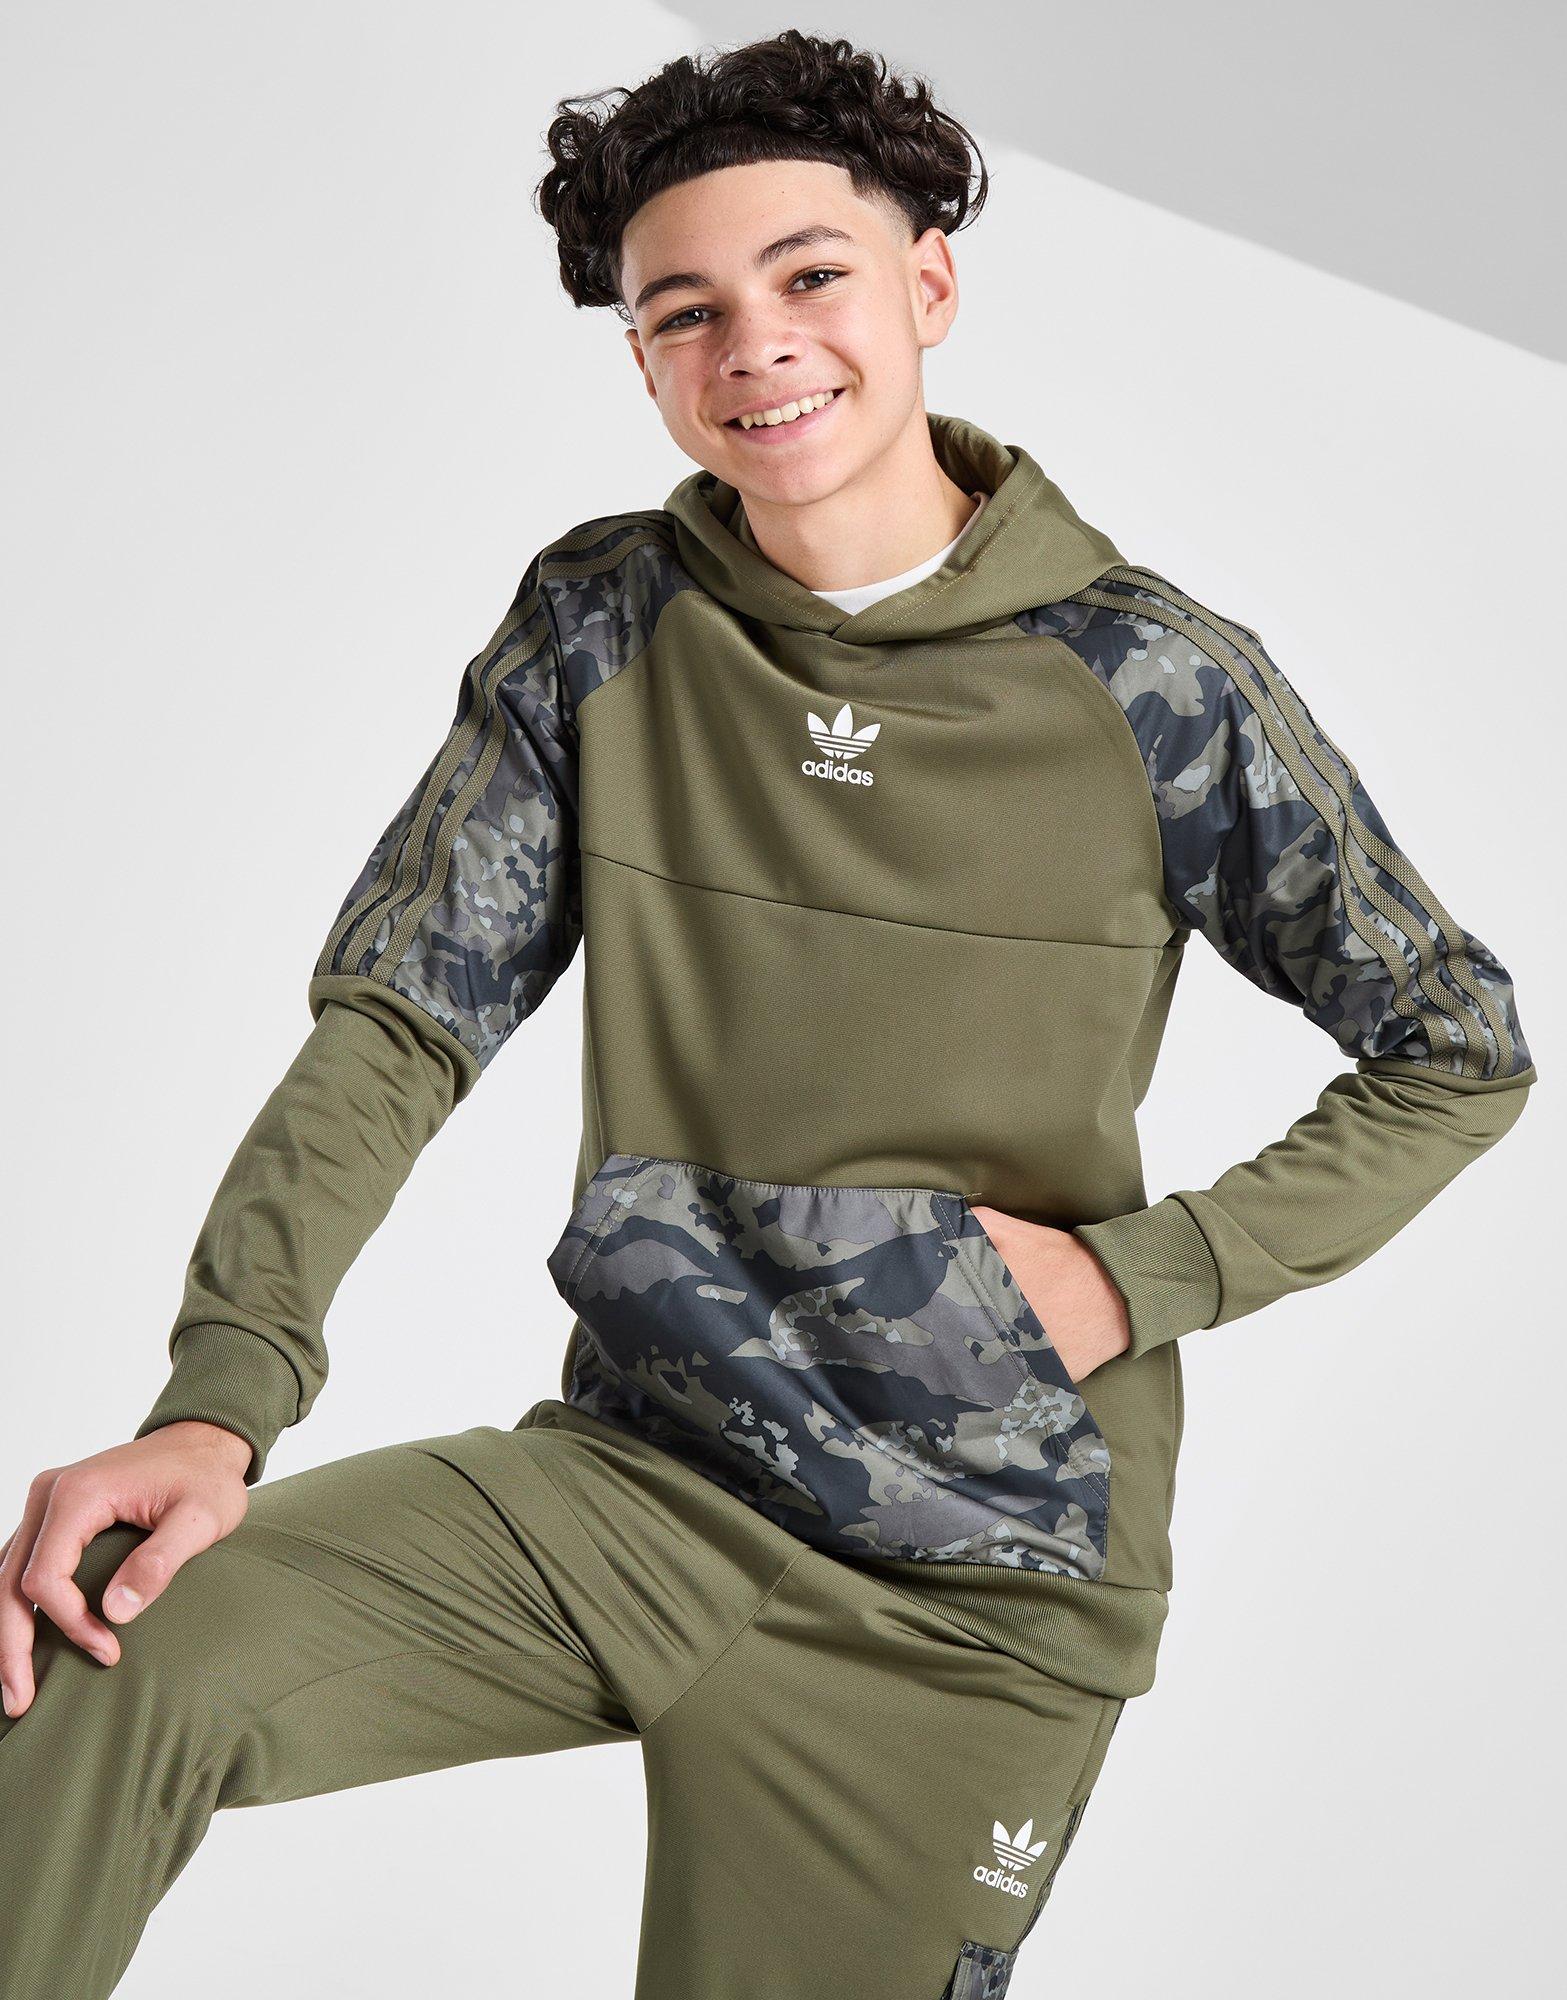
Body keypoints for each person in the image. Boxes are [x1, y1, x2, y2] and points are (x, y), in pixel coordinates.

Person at [0, 27, 1535, 2000]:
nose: (756, 346)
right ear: (643, 360)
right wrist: (219, 1403)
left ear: (928, 285)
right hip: (631, 1485)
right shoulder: (604, 627)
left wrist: (1138, 1277)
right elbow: (400, 1022)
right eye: (686, 311)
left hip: (967, 1587)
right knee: (105, 1651)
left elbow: (1453, 1043)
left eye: (810, 274)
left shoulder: (1150, 683)